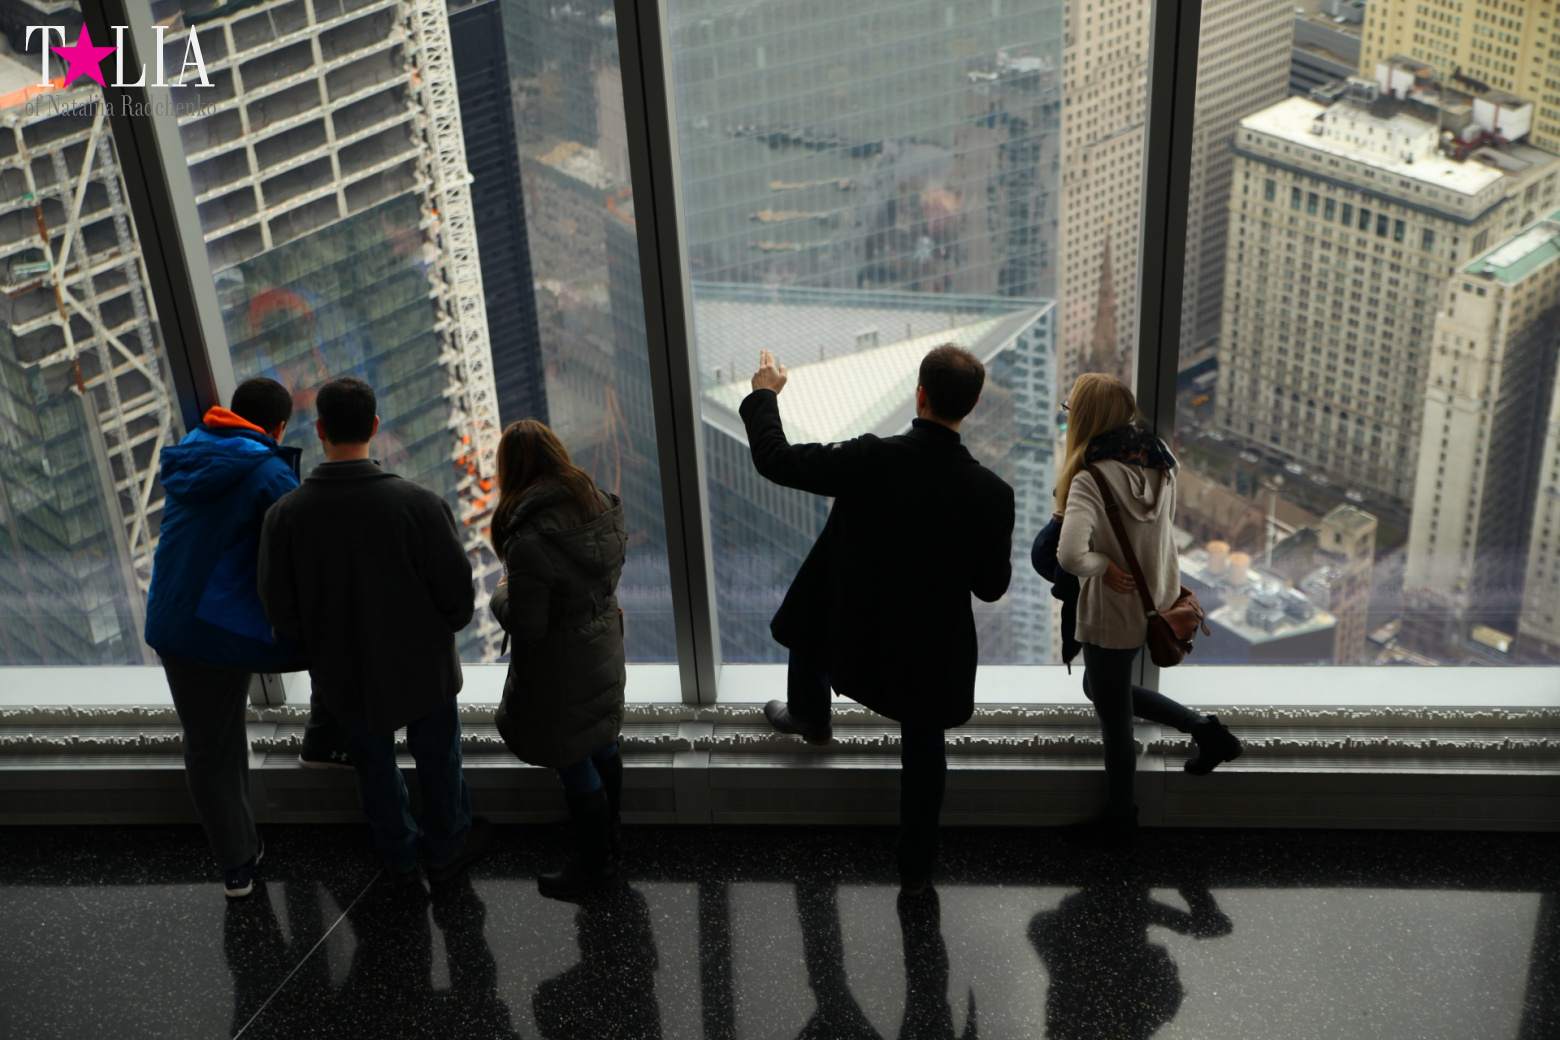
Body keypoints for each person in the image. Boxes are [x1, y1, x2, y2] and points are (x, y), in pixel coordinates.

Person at [743, 345, 1015, 893]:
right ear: (974, 404)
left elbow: (776, 460)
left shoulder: (872, 457)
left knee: (814, 600)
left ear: (920, 395)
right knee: (924, 744)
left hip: (855, 628)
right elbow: (990, 588)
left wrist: (764, 395)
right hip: (927, 648)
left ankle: (811, 717)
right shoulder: (991, 493)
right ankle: (915, 870)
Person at [259, 376, 490, 884]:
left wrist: (323, 641)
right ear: (375, 427)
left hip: (345, 674)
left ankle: (399, 853)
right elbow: (457, 602)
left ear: (319, 429)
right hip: (425, 668)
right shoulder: (421, 506)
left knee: (373, 765)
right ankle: (447, 846)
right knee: (439, 758)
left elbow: (281, 610)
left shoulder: (285, 516)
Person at [145, 377, 349, 900]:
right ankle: (323, 740)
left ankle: (237, 866)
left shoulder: (194, 450)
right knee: (337, 632)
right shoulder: (266, 471)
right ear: (279, 427)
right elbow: (307, 546)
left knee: (209, 749)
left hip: (172, 622)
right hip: (226, 630)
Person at [1053, 373, 1243, 847]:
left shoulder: (1089, 478)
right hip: (1156, 601)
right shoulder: (1161, 461)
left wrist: (1103, 563)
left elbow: (1070, 556)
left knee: (1114, 721)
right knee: (1101, 687)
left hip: (1111, 612)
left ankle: (1122, 820)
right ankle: (1207, 732)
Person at [488, 419, 628, 899]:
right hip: (603, 642)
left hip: (560, 664)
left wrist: (498, 596)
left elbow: (528, 624)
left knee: (572, 759)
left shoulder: (528, 540)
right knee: (602, 739)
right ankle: (609, 835)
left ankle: (597, 869)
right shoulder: (600, 504)